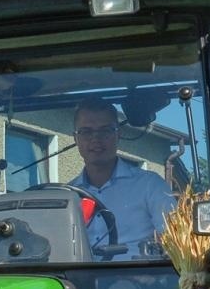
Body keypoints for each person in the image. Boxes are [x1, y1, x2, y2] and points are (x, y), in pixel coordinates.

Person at [66, 100, 173, 259]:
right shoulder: (67, 196)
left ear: (118, 135)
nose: (96, 139)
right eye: (86, 132)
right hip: (78, 281)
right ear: (75, 139)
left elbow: (177, 242)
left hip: (137, 279)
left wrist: (152, 274)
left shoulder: (150, 185)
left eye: (105, 131)